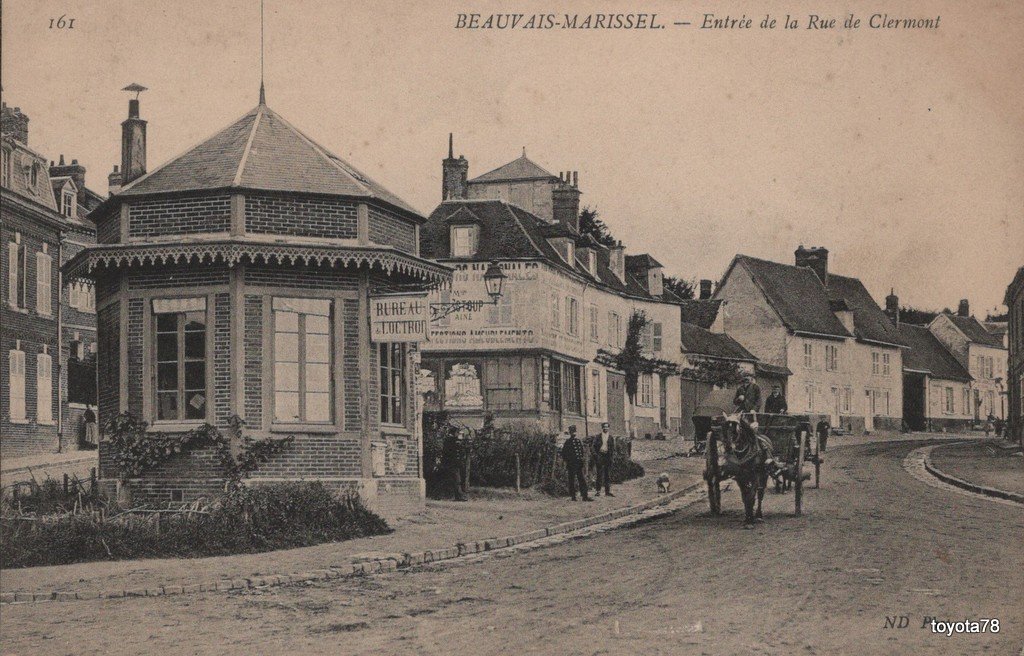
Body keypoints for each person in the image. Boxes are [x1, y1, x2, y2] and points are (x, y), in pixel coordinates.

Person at [561, 426, 591, 501]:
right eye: (572, 432)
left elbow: (581, 452)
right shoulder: (568, 442)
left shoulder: (578, 441)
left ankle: (585, 496)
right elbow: (564, 453)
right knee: (571, 480)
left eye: (574, 432)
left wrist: (581, 461)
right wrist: (568, 461)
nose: (574, 434)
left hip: (578, 464)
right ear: (570, 433)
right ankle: (573, 496)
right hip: (571, 464)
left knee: (581, 479)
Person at [592, 422, 615, 497]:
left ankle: (607, 492)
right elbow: (593, 447)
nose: (606, 428)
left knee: (607, 474)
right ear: (602, 428)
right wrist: (596, 455)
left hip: (607, 456)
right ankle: (598, 491)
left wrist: (611, 457)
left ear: (609, 428)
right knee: (599, 474)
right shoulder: (598, 437)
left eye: (607, 427)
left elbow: (612, 448)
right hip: (600, 456)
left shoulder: (611, 437)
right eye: (604, 427)